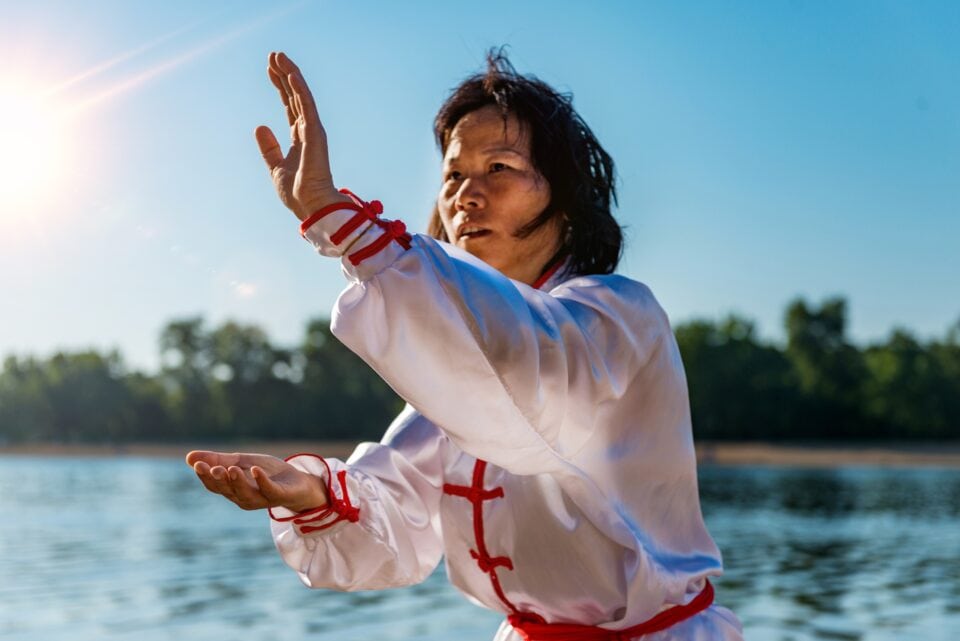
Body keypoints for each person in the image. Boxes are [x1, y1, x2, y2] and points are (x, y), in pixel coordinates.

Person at [187, 49, 744, 641]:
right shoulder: (463, 366)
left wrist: (338, 220)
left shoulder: (617, 316)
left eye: (499, 167)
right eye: (453, 175)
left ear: (564, 194)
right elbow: (396, 513)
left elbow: (529, 383)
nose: (465, 195)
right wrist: (312, 492)